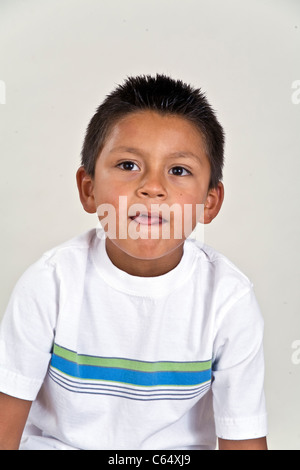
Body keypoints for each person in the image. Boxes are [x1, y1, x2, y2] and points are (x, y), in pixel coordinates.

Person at [0, 74, 268, 450]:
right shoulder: (51, 283)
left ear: (209, 202)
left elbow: (244, 441)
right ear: (88, 189)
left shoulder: (229, 299)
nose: (152, 187)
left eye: (178, 170)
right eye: (128, 165)